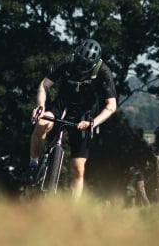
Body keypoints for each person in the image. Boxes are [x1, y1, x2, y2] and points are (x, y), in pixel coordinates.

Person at [25, 38, 117, 200]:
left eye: (86, 65)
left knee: (78, 168)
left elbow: (111, 106)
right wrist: (40, 106)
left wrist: (93, 122)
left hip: (85, 116)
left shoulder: (103, 71)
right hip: (62, 107)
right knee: (42, 124)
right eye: (80, 62)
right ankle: (33, 164)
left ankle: (74, 210)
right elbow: (44, 85)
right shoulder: (67, 60)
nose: (81, 67)